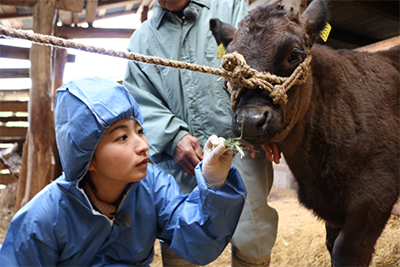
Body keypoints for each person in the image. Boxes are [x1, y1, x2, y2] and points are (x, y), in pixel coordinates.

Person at [0, 77, 247, 266]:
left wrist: (214, 183)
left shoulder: (153, 186)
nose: (143, 145)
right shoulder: (40, 220)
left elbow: (200, 244)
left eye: (139, 131)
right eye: (122, 137)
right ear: (88, 158)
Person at [124, 0, 279, 266]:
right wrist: (173, 137)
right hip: (179, 164)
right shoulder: (141, 41)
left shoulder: (229, 7)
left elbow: (258, 66)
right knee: (182, 238)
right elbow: (140, 100)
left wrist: (269, 128)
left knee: (253, 233)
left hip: (239, 150)